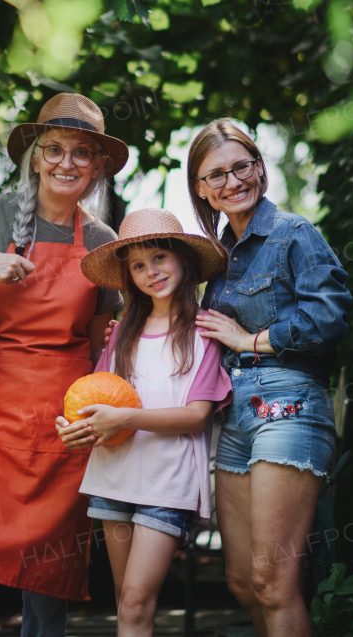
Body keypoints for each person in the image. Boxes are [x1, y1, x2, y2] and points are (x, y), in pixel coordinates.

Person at [0, 93, 130, 637]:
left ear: (98, 166)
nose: (67, 163)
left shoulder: (102, 242)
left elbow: (97, 353)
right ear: (36, 158)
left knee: (47, 579)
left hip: (61, 428)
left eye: (82, 153)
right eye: (55, 149)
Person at [187, 120, 352, 637]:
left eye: (242, 167)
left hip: (290, 406)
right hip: (234, 418)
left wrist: (250, 340)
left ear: (260, 168)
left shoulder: (294, 234)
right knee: (241, 581)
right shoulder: (213, 259)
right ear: (200, 188)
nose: (233, 182)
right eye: (217, 174)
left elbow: (330, 316)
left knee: (273, 581)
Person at [57, 208, 233, 637]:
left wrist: (125, 417)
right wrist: (77, 430)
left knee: (136, 601)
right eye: (138, 265)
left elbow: (195, 416)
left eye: (159, 258)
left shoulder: (204, 330)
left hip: (167, 482)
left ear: (183, 260)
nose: (150, 271)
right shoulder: (121, 333)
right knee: (126, 603)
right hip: (114, 475)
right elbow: (97, 400)